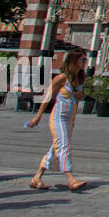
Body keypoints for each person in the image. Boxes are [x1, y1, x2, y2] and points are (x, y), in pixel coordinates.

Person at [28, 51, 88, 192]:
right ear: (74, 61)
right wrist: (38, 116)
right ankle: (70, 179)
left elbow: (80, 97)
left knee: (55, 148)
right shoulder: (61, 78)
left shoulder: (79, 78)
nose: (85, 62)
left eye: (85, 60)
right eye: (83, 59)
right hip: (58, 118)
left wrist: (80, 95)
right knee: (63, 146)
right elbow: (48, 97)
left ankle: (37, 177)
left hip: (70, 119)